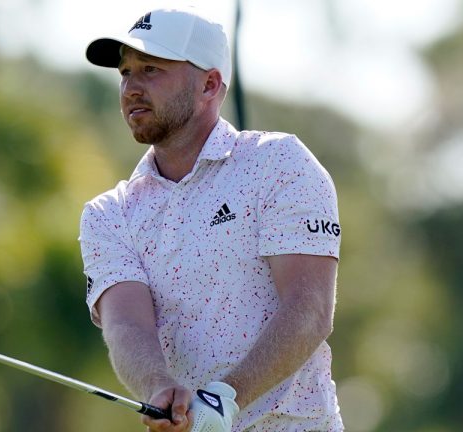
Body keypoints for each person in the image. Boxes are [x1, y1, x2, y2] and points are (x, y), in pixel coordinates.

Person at [79, 6, 344, 431]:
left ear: (209, 84)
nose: (131, 87)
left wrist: (226, 396)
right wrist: (157, 386)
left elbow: (309, 309)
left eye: (151, 69)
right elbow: (126, 323)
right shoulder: (110, 214)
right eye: (126, 72)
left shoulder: (280, 164)